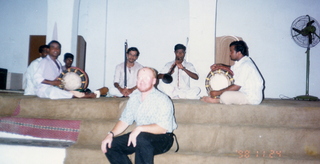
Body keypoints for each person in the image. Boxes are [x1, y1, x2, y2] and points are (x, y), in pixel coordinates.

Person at [101, 67, 178, 164]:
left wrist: (140, 128)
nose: (142, 81)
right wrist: (110, 134)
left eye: (146, 78)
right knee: (110, 144)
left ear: (154, 81)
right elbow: (125, 120)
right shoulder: (134, 98)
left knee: (141, 137)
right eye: (139, 78)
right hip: (140, 136)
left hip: (163, 138)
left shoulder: (162, 99)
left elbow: (164, 128)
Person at [201, 40, 264, 105]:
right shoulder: (241, 63)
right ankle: (219, 99)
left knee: (225, 96)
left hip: (251, 98)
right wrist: (219, 66)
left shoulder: (246, 65)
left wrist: (217, 93)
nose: (229, 53)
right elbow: (231, 68)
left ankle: (217, 100)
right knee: (226, 93)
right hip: (243, 93)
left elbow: (236, 87)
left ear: (238, 53)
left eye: (231, 51)